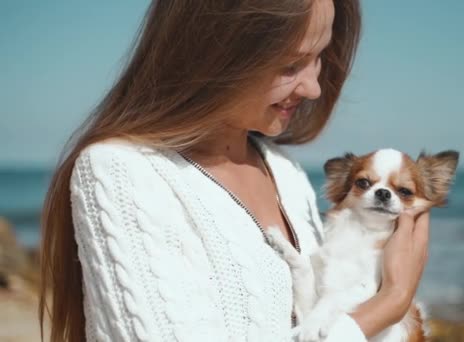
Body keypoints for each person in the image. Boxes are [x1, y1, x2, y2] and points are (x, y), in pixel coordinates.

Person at [39, 0, 430, 341]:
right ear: (216, 54)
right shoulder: (123, 174)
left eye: (320, 56)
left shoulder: (285, 171)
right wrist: (389, 303)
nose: (313, 87)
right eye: (292, 64)